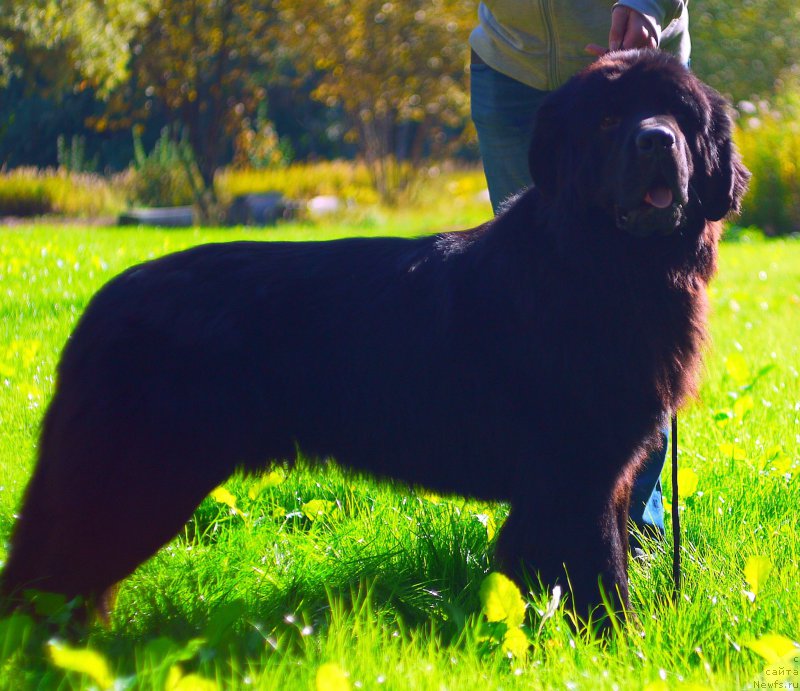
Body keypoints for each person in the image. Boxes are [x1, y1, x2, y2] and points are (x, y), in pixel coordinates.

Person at [469, 1, 691, 545]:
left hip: (637, 68)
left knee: (643, 322)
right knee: (535, 311)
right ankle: (553, 516)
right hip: (512, 67)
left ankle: (632, 524)